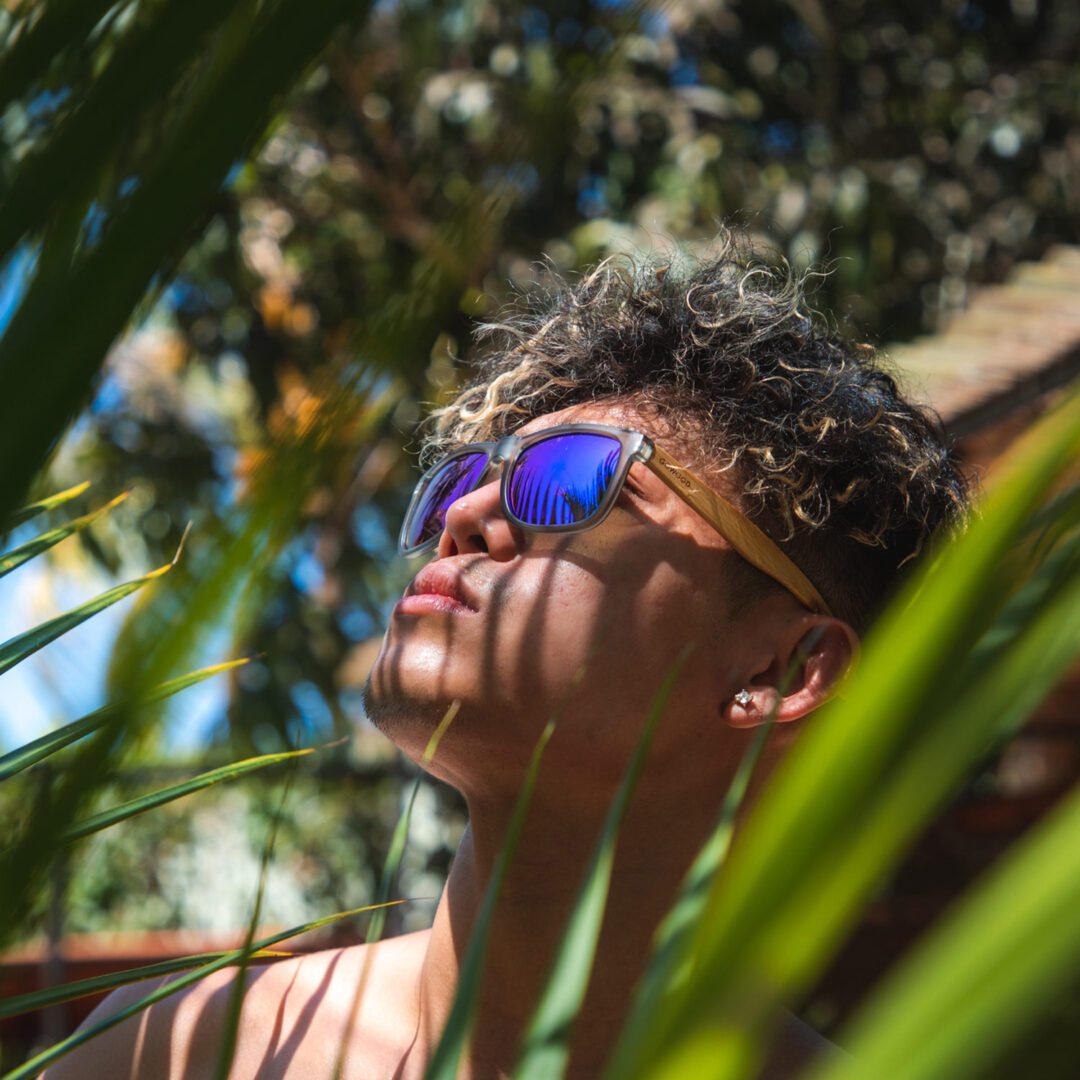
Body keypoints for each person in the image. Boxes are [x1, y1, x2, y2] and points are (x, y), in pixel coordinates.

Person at [44, 234, 967, 1079]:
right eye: (461, 479)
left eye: (570, 480)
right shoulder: (179, 1051)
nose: (463, 515)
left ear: (781, 671)